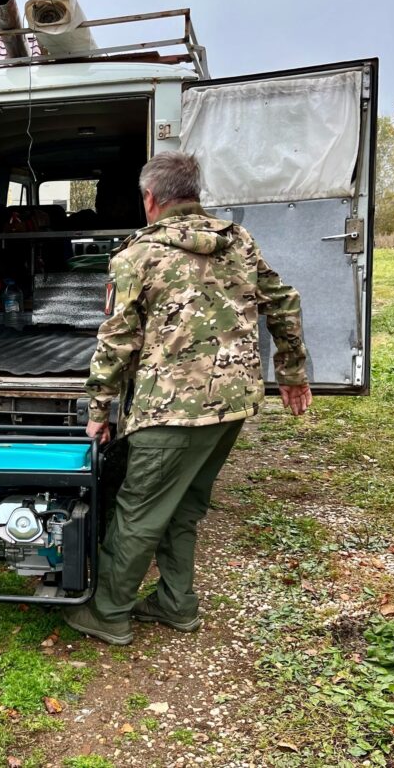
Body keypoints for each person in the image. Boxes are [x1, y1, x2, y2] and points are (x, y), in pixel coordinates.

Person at [65, 151, 312, 646]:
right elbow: (284, 299)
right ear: (195, 194)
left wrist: (98, 411)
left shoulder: (137, 255)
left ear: (150, 199)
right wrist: (291, 371)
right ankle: (176, 604)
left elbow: (116, 342)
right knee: (183, 506)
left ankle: (108, 612)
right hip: (233, 404)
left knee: (137, 510)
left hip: (170, 410)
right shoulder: (237, 240)